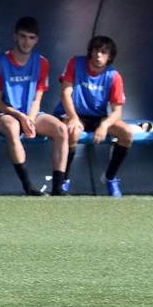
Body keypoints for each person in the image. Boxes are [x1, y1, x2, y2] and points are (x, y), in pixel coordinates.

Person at [0, 16, 69, 196]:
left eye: (31, 38)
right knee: (12, 127)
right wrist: (21, 117)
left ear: (36, 40)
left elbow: (37, 98)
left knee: (61, 129)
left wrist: (30, 118)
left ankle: (57, 189)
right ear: (15, 37)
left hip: (31, 113)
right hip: (5, 114)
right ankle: (28, 186)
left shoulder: (42, 62)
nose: (26, 42)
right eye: (23, 36)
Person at [53, 35, 135, 197]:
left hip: (98, 118)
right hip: (74, 114)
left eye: (104, 52)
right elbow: (65, 93)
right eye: (96, 50)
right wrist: (74, 118)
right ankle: (64, 180)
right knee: (72, 131)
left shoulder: (113, 76)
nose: (98, 55)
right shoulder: (75, 63)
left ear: (110, 57)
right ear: (90, 51)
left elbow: (117, 111)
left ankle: (110, 178)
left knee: (127, 134)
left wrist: (104, 125)